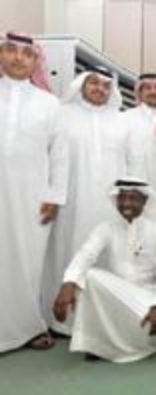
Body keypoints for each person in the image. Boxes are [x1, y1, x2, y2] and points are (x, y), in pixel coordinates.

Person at [43, 65, 135, 335]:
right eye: (93, 82)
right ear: (81, 85)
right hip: (71, 202)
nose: (100, 89)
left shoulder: (121, 121)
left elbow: (131, 163)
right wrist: (52, 196)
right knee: (69, 252)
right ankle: (64, 322)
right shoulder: (63, 115)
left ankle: (103, 321)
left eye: (106, 85)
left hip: (111, 204)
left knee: (108, 255)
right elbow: (52, 160)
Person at [53, 178, 156, 363]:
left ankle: (137, 340)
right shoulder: (106, 228)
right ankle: (97, 346)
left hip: (147, 303)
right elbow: (86, 254)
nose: (126, 203)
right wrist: (68, 283)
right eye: (122, 198)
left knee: (154, 323)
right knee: (88, 276)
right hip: (116, 301)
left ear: (144, 201)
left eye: (133, 198)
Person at [0, 31, 67, 352]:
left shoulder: (50, 103)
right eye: (11, 50)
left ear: (35, 61)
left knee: (28, 260)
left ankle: (27, 327)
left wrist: (55, 196)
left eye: (26, 54)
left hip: (32, 195)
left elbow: (60, 155)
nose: (18, 58)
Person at [126, 72, 156, 199]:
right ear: (139, 92)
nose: (153, 92)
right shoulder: (125, 117)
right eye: (147, 88)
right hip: (134, 184)